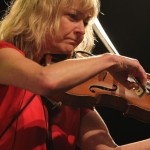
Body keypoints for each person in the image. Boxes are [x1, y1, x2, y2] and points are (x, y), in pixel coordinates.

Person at [0, 0, 149, 150]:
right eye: (72, 17)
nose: (82, 31)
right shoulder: (4, 56)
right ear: (40, 14)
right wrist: (110, 59)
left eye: (85, 22)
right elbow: (44, 80)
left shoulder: (75, 92)